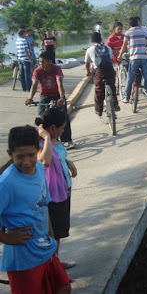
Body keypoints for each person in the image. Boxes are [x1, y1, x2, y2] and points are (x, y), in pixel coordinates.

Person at [0, 125, 72, 294]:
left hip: (45, 248)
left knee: (63, 288)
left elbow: (43, 207)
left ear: (38, 150)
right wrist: (6, 238)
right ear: (10, 154)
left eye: (31, 155)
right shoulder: (6, 184)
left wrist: (52, 239)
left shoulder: (39, 169)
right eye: (20, 156)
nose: (26, 161)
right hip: (24, 258)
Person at [36, 108, 77, 270]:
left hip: (62, 191)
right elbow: (45, 161)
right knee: (51, 233)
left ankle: (56, 262)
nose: (63, 131)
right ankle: (52, 266)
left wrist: (68, 162)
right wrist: (45, 137)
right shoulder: (41, 143)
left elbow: (59, 156)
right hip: (51, 195)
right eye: (61, 128)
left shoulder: (55, 140)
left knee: (59, 231)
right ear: (52, 128)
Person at [26, 51, 75, 150]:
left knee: (63, 117)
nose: (41, 64)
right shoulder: (38, 71)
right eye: (39, 62)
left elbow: (59, 82)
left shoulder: (56, 68)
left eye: (43, 61)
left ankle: (66, 140)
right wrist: (30, 98)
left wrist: (61, 97)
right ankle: (41, 141)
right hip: (45, 95)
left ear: (49, 61)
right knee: (40, 119)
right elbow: (34, 85)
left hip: (57, 94)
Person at [117, 17, 147, 105]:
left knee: (130, 78)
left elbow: (124, 46)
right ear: (138, 23)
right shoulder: (144, 31)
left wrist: (119, 56)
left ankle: (126, 97)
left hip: (134, 58)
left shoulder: (128, 32)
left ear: (130, 24)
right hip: (144, 58)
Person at [85, 32, 120, 117]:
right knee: (112, 87)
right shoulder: (108, 48)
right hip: (110, 70)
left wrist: (88, 72)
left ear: (92, 40)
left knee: (99, 90)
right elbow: (111, 59)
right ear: (101, 39)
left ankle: (99, 110)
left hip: (100, 71)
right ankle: (115, 103)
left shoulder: (90, 50)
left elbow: (87, 64)